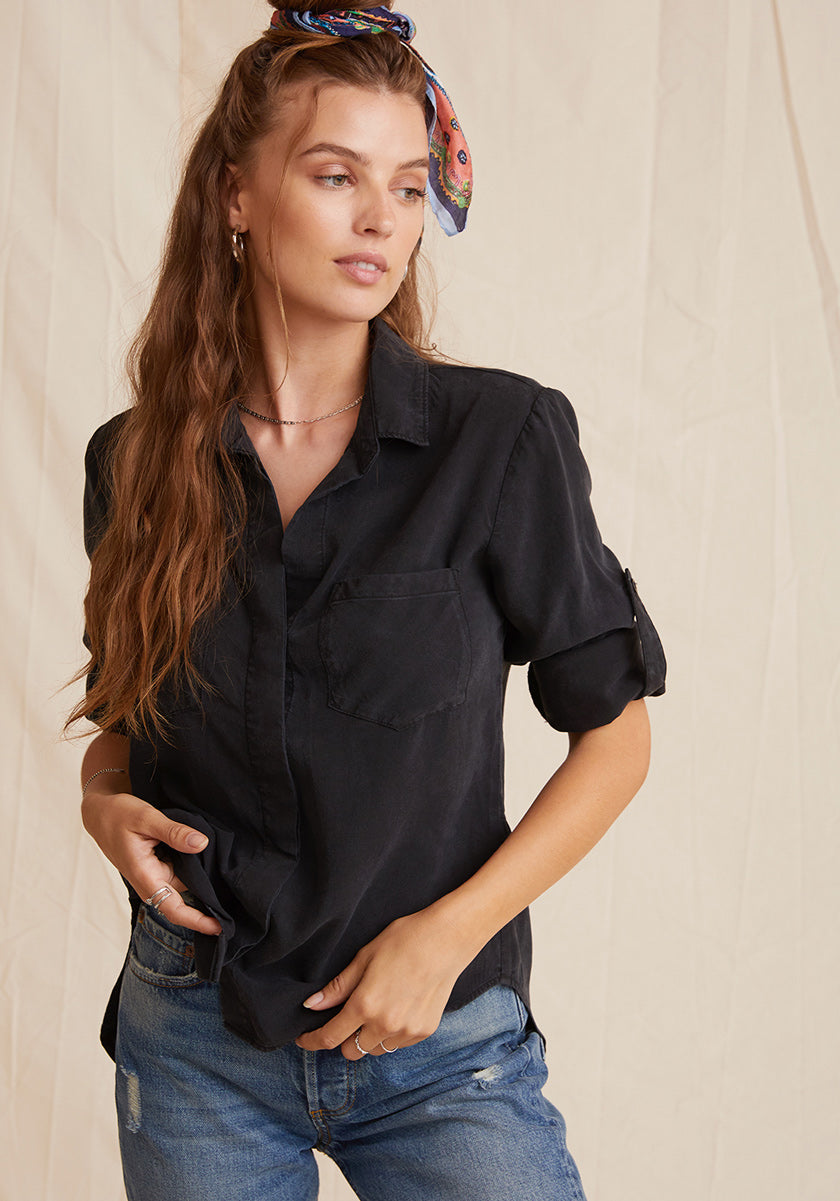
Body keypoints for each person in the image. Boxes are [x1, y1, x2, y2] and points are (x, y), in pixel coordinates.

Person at [69, 4, 666, 1199]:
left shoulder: (499, 437)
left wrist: (447, 936)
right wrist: (101, 794)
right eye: (336, 174)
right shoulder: (133, 459)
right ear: (237, 196)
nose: (379, 218)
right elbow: (130, 707)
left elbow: (616, 732)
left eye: (404, 186)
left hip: (441, 1043)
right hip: (196, 1036)